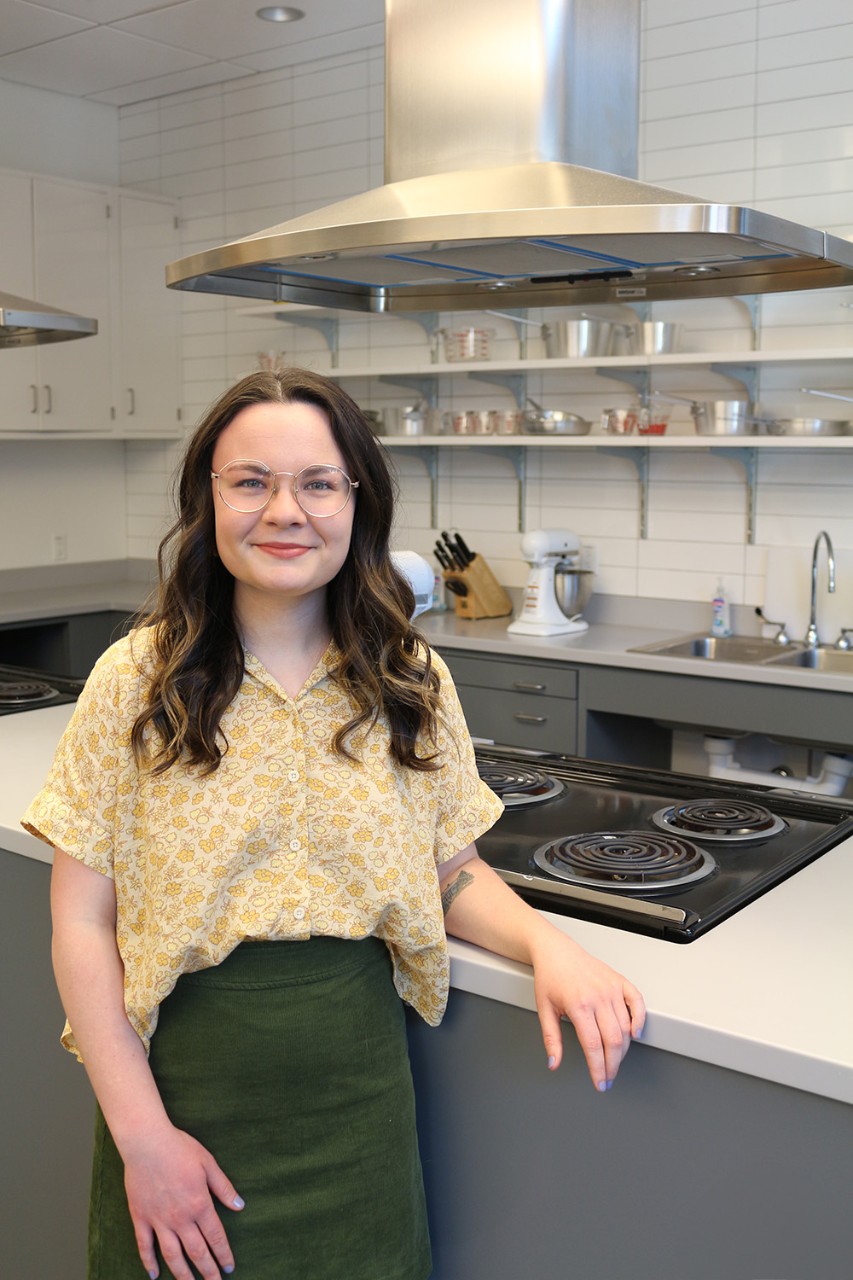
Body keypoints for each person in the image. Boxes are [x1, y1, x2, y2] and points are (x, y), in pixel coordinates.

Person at [22, 368, 645, 1280]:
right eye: (250, 481)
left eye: (317, 483)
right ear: (208, 497)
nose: (285, 510)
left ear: (357, 501)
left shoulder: (410, 678)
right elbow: (81, 922)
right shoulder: (136, 680)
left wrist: (548, 945)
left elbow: (450, 870)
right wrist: (143, 1140)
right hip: (179, 1108)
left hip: (360, 1114)